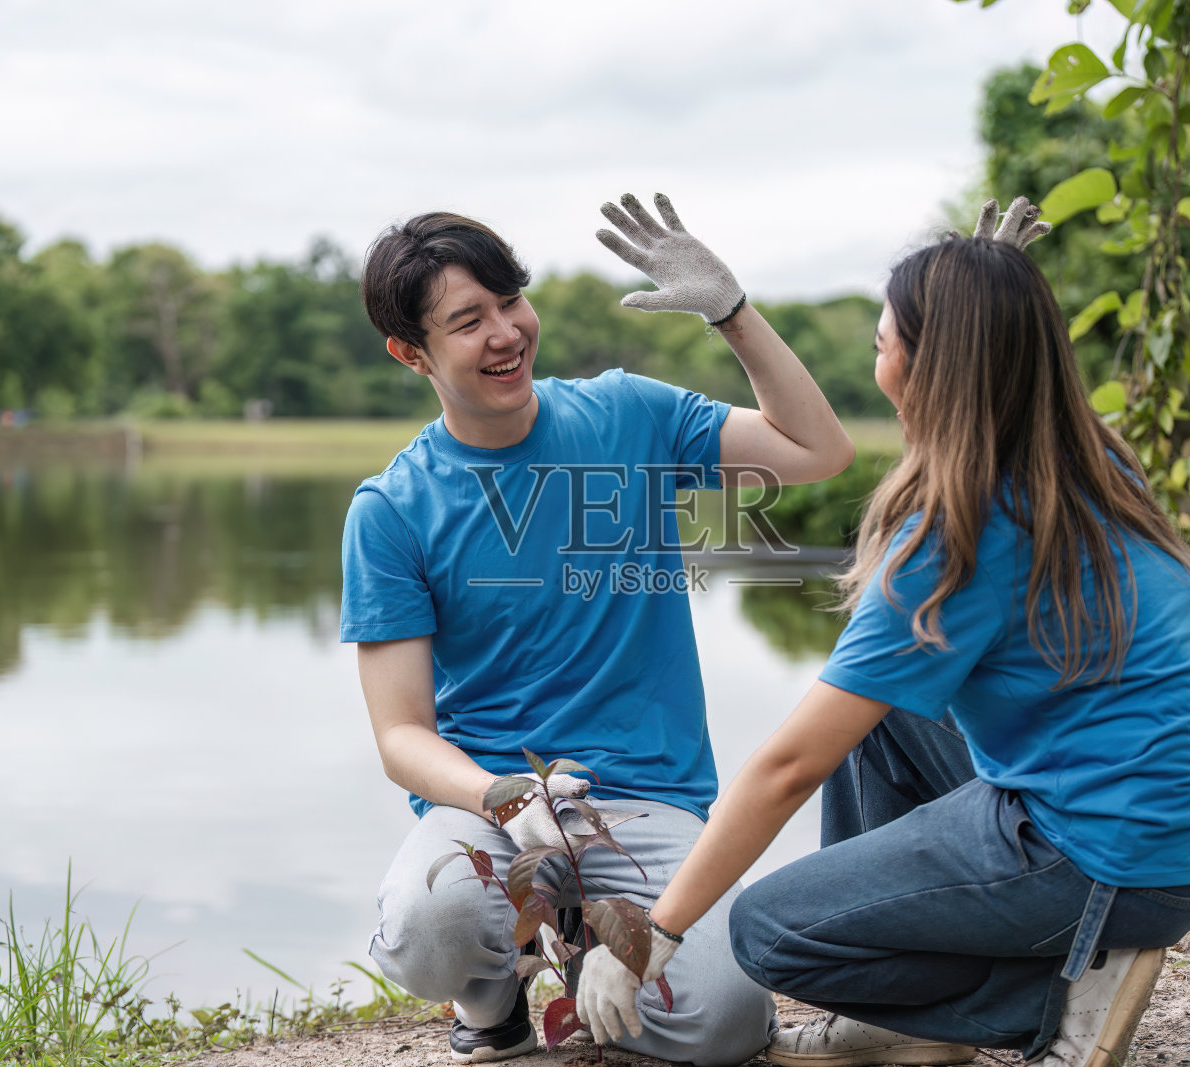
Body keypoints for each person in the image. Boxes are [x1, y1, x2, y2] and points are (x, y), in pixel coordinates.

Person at [573, 199, 1190, 1067]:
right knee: (883, 713)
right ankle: (912, 1018)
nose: (877, 363)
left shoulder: (953, 537)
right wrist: (985, 295)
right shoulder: (1088, 455)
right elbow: (996, 383)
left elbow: (789, 767)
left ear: (929, 365)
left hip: (1112, 861)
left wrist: (654, 932)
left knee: (768, 928)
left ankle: (1056, 996)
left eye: (882, 341)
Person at [343, 193, 856, 1065]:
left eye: (511, 301)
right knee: (435, 924)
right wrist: (505, 797)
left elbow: (817, 451)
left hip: (648, 797)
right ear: (410, 351)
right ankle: (491, 999)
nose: (505, 333)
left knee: (727, 1022)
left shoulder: (627, 414)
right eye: (468, 321)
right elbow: (401, 735)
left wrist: (732, 314)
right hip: (495, 809)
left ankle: (592, 947)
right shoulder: (392, 508)